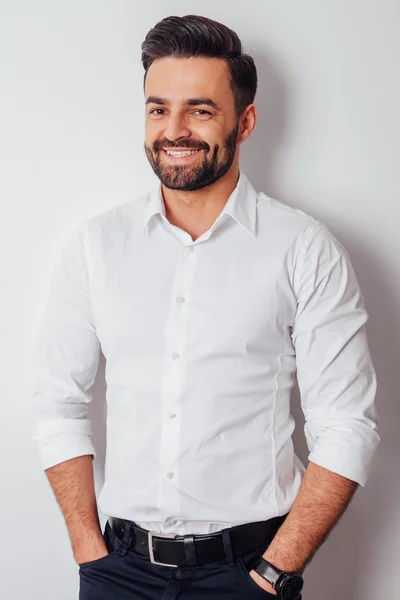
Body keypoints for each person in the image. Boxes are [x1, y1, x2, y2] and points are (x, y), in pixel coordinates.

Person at [31, 14, 380, 600]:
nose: (175, 130)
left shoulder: (303, 248)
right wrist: (88, 551)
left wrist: (274, 571)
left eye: (199, 109)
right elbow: (57, 404)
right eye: (158, 108)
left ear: (245, 121)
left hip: (246, 572)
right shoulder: (97, 246)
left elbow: (348, 425)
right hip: (117, 570)